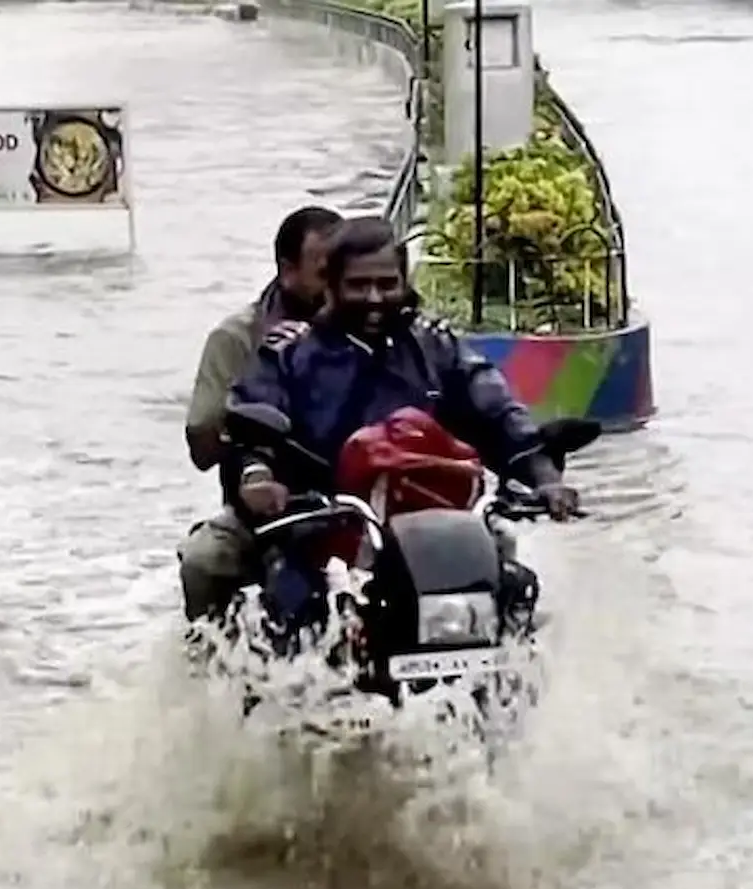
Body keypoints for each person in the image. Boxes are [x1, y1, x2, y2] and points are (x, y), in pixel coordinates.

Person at [214, 217, 578, 612]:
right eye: (359, 285)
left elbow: (496, 412)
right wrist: (259, 477)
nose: (374, 297)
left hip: (438, 532)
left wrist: (546, 478)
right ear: (332, 286)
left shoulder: (437, 348)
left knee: (514, 592)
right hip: (323, 529)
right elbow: (253, 425)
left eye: (387, 283)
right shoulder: (289, 356)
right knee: (291, 605)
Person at [176, 205, 343, 621]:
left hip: (362, 499)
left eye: (344, 272)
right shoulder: (240, 338)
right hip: (270, 507)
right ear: (288, 270)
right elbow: (202, 444)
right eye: (324, 273)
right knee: (204, 561)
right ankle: (211, 662)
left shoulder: (369, 326)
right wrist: (251, 439)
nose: (338, 286)